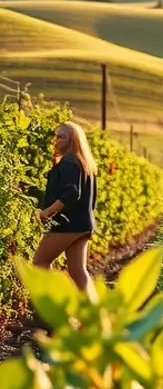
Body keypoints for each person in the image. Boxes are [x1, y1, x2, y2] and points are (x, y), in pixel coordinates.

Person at [33, 121, 98, 291]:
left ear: (72, 141)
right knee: (78, 271)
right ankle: (93, 314)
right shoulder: (85, 164)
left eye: (61, 136)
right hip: (83, 224)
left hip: (67, 224)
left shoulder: (69, 161)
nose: (56, 140)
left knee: (40, 262)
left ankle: (55, 305)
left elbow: (71, 193)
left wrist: (47, 212)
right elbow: (92, 201)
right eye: (56, 136)